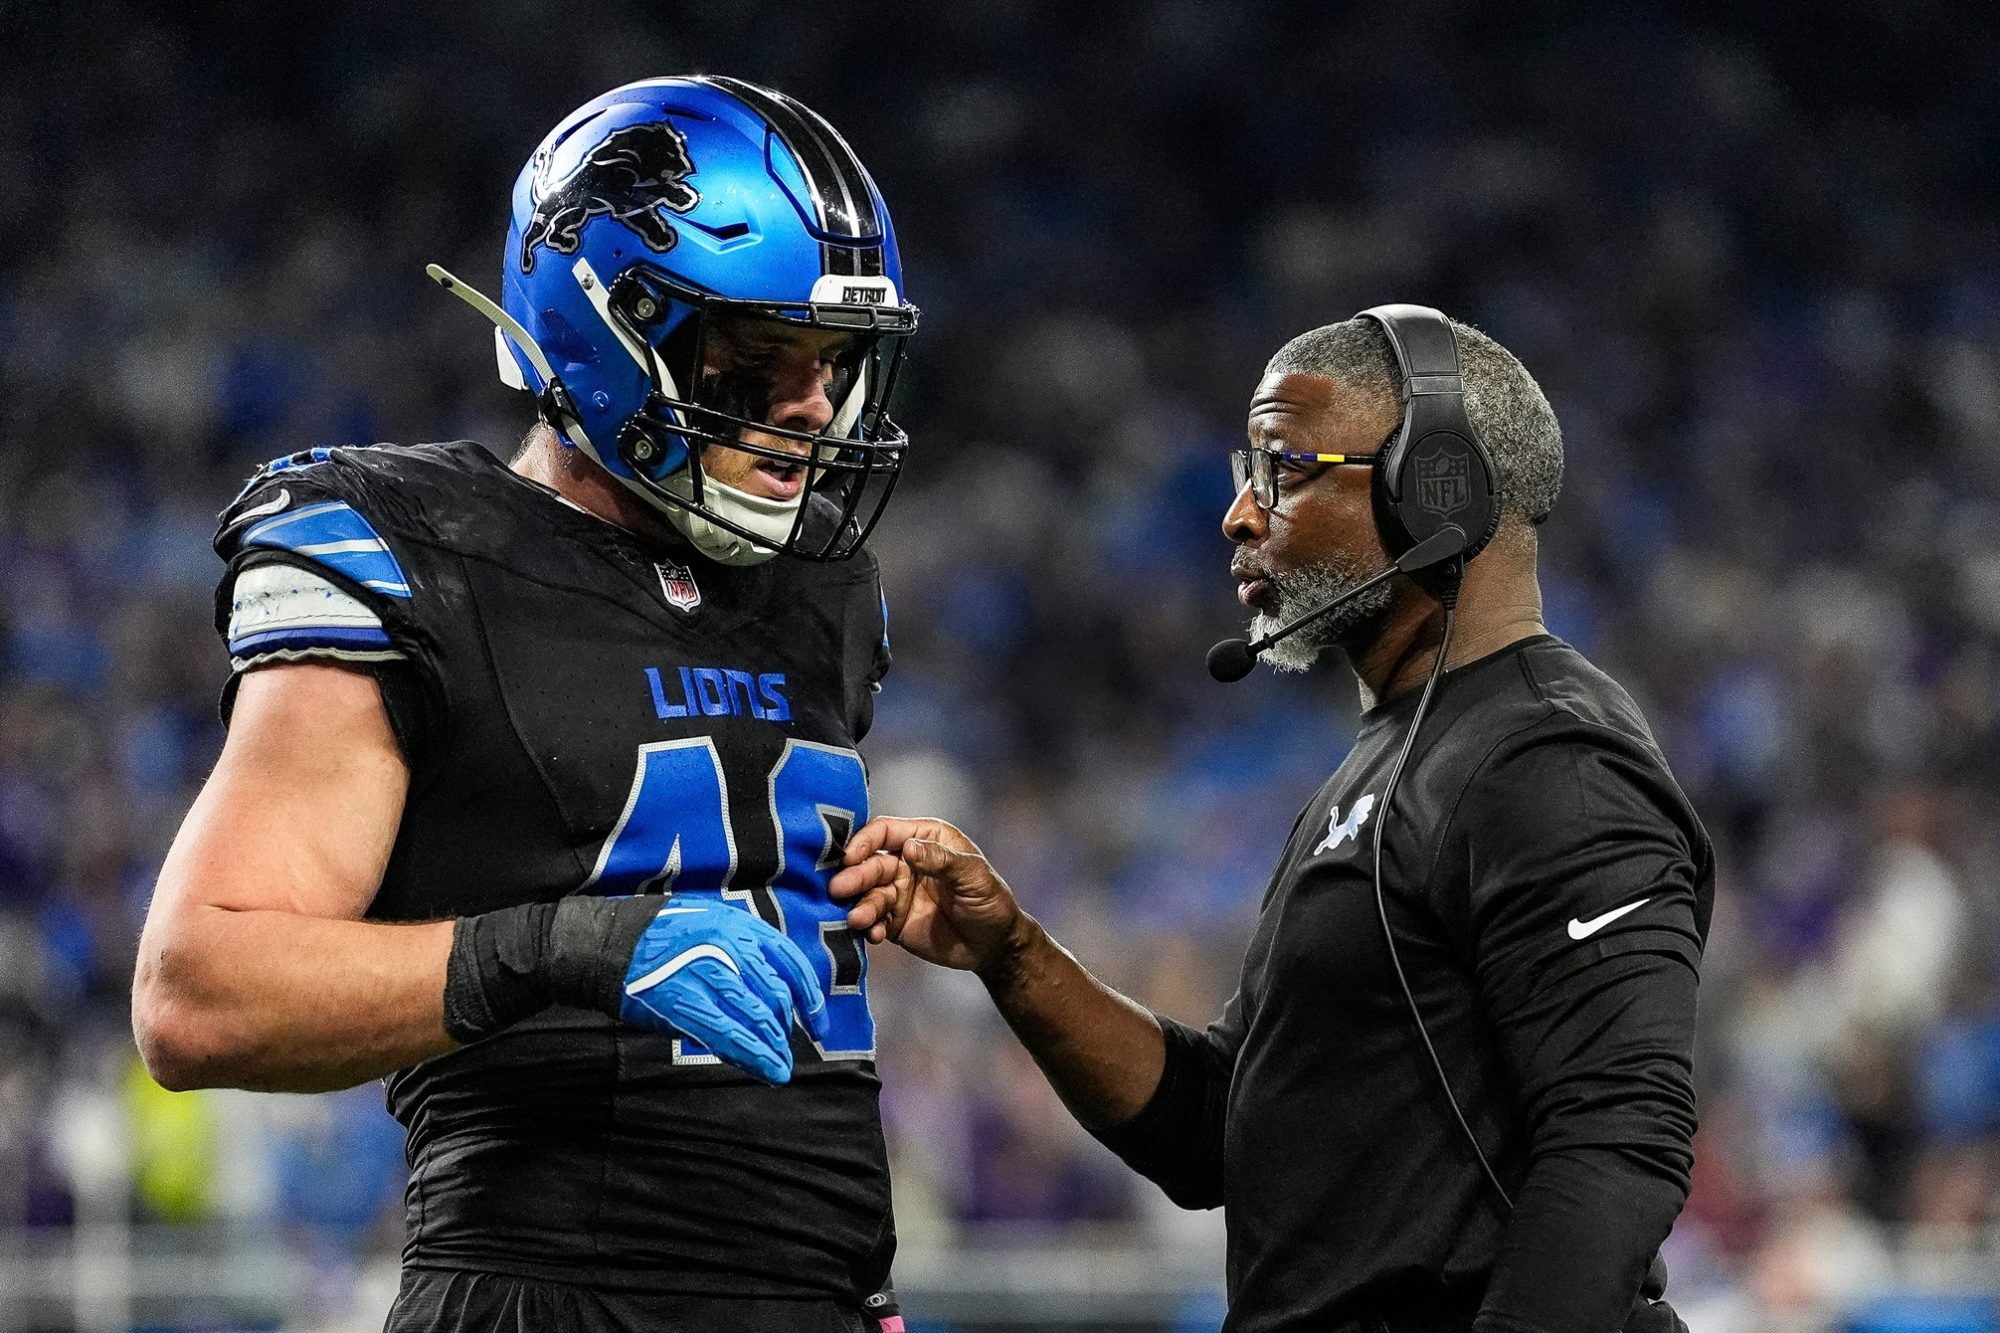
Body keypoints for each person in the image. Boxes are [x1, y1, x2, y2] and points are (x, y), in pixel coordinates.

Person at [132, 77, 917, 1333]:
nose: (810, 408)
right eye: (760, 360)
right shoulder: (414, 549)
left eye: (829, 364)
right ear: (603, 329)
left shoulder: (819, 579)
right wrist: (569, 946)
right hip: (549, 1297)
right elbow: (196, 992)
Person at [834, 308, 1709, 1333]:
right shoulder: (1395, 762)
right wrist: (1011, 951)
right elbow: (1215, 1129)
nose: (1238, 514)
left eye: (1283, 470)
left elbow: (1617, 1140)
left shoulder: (1549, 757)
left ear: (1434, 489)